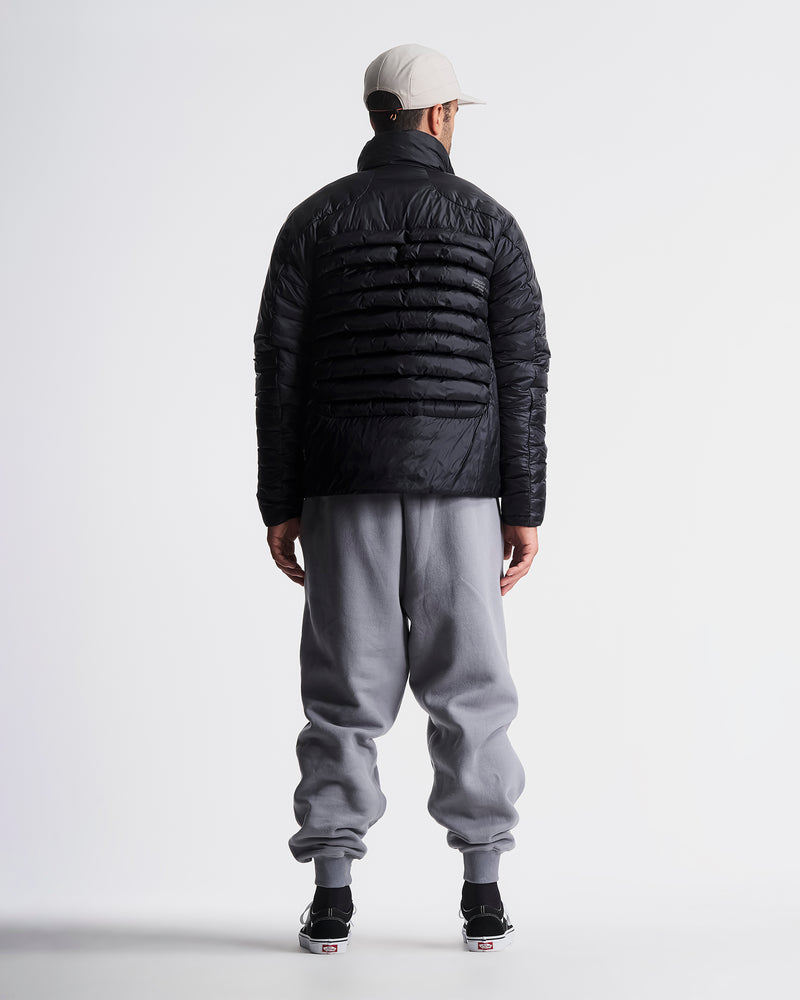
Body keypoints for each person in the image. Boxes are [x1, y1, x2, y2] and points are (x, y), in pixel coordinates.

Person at [253, 42, 550, 954]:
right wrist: (524, 505)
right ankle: (482, 893)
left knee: (344, 692)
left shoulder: (313, 221)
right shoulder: (490, 221)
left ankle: (331, 897)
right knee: (472, 690)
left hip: (344, 488)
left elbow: (279, 369)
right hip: (463, 490)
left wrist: (281, 499)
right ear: (440, 116)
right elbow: (523, 369)